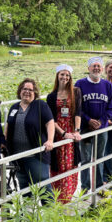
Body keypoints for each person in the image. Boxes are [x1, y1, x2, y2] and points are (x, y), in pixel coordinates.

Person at [4, 78, 55, 202]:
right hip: (18, 156)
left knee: (43, 187)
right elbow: (8, 126)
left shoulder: (40, 105)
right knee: (24, 187)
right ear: (20, 91)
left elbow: (50, 123)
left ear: (35, 92)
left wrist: (49, 140)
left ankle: (50, 215)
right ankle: (29, 216)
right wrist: (4, 143)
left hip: (35, 155)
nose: (27, 91)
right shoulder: (14, 107)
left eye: (30, 89)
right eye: (24, 89)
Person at [75, 56, 112, 190]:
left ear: (102, 69)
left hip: (101, 127)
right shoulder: (80, 84)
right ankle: (85, 187)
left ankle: (98, 186)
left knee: (99, 158)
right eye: (94, 66)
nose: (96, 68)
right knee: (86, 159)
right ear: (88, 68)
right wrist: (88, 120)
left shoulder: (107, 85)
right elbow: (76, 107)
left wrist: (101, 121)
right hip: (86, 128)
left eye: (99, 66)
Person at [46, 64, 82, 204]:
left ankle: (68, 196)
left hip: (72, 131)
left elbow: (78, 113)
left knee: (70, 164)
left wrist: (76, 131)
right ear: (57, 76)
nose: (64, 77)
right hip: (57, 133)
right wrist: (63, 133)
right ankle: (58, 197)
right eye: (62, 74)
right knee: (57, 165)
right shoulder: (51, 96)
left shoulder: (76, 92)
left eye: (67, 75)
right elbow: (51, 119)